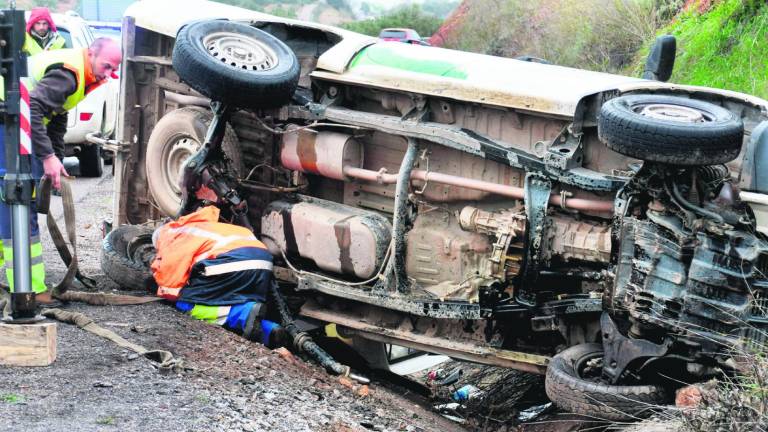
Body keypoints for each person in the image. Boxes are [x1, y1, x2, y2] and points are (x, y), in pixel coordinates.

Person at [0, 37, 121, 305]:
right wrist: (47, 157)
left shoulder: (81, 74)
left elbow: (55, 117)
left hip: (11, 121)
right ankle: (28, 289)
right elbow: (32, 107)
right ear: (91, 54)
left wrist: (54, 158)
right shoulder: (70, 73)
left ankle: (22, 282)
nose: (109, 73)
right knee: (19, 202)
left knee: (13, 202)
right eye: (106, 65)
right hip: (7, 124)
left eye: (114, 69)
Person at [151, 205, 288, 347]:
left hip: (233, 261)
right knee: (229, 300)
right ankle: (269, 330)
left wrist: (162, 290)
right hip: (263, 264)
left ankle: (242, 313)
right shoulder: (199, 228)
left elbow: (170, 285)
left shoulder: (171, 236)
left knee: (185, 303)